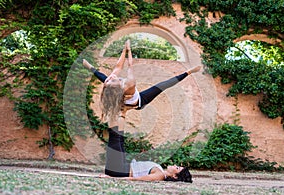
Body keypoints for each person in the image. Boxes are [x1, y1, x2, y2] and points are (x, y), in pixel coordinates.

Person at [83, 40, 199, 182]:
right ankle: (123, 112)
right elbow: (121, 67)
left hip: (138, 103)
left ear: (175, 176)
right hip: (120, 167)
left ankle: (122, 112)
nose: (175, 165)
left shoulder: (160, 175)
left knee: (116, 136)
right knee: (117, 136)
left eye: (177, 168)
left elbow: (141, 179)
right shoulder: (116, 86)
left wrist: (114, 178)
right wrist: (127, 50)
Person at [83, 40, 201, 121]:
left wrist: (125, 50)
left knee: (101, 76)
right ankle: (189, 72)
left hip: (123, 98)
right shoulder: (129, 85)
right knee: (162, 85)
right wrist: (130, 52)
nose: (110, 78)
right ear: (118, 86)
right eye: (111, 81)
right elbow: (130, 65)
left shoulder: (111, 82)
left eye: (108, 81)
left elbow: (118, 67)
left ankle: (88, 67)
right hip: (140, 101)